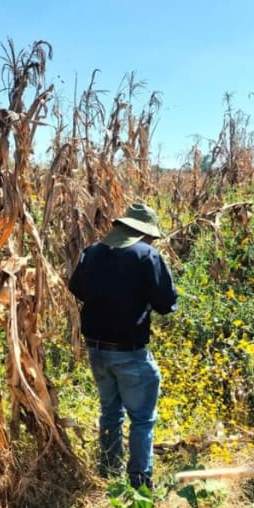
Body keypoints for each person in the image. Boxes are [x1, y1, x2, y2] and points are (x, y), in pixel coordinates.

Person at [68, 203, 177, 490]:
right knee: (142, 419)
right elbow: (166, 302)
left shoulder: (92, 252)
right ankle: (140, 483)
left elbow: (75, 287)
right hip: (129, 352)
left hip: (96, 350)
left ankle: (108, 471)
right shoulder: (146, 255)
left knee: (110, 413)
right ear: (143, 233)